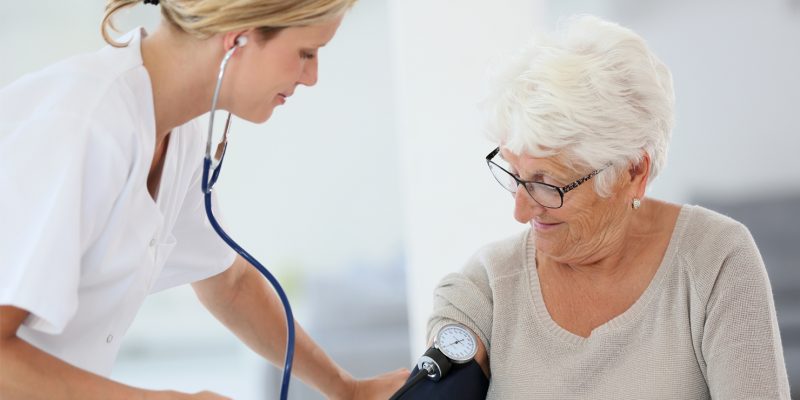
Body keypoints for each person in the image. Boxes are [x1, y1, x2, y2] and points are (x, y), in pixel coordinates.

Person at [0, 0, 408, 398]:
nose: (312, 76)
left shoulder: (175, 132)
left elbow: (230, 284)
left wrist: (346, 389)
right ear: (238, 40)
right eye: (306, 53)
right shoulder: (83, 125)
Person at [425, 15, 791, 399]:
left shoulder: (715, 260)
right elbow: (439, 377)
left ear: (633, 171)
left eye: (546, 184)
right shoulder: (487, 284)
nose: (520, 211)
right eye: (515, 175)